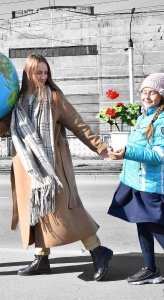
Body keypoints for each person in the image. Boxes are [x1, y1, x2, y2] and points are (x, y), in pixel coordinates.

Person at [0, 54, 113, 281]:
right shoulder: (16, 102)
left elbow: (78, 124)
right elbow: (0, 128)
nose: (43, 77)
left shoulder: (54, 98)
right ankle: (41, 259)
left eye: (46, 73)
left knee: (67, 212)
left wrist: (101, 148)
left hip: (52, 166)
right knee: (36, 211)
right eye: (38, 72)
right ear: (28, 74)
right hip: (27, 167)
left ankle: (99, 251)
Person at [108, 73, 164, 285]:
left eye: (153, 92)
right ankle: (151, 269)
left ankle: (151, 268)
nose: (147, 96)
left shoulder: (162, 121)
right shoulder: (143, 117)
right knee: (142, 224)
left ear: (161, 96)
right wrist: (120, 153)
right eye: (144, 92)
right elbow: (135, 149)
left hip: (150, 184)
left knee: (156, 226)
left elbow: (158, 157)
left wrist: (128, 152)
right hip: (135, 182)